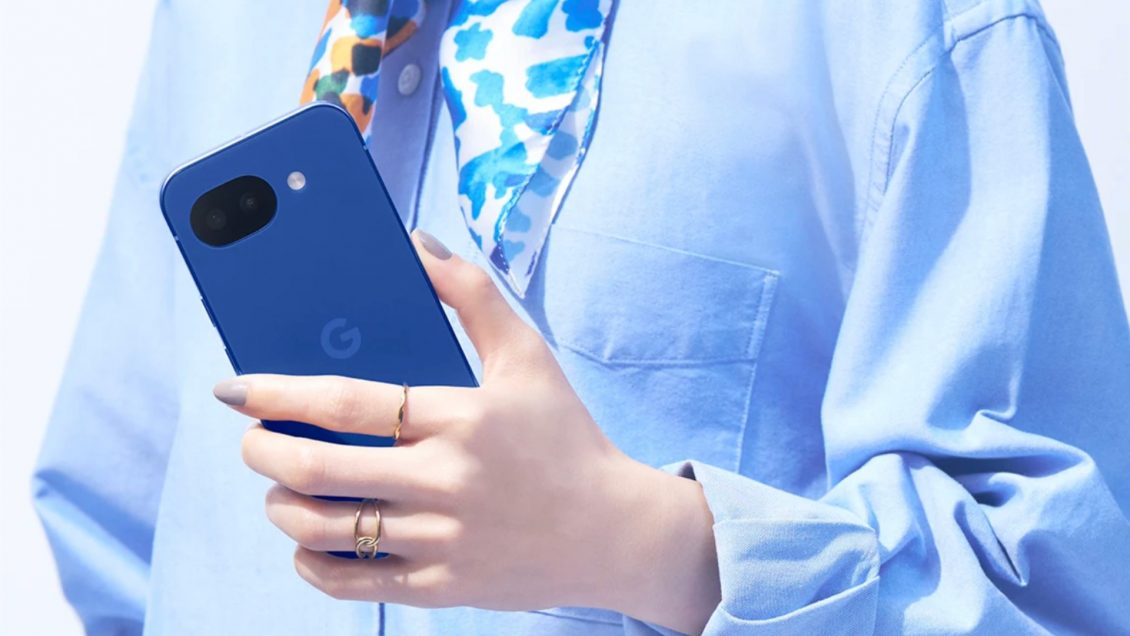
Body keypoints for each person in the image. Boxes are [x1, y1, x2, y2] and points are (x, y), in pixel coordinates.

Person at [33, 0, 1130, 634]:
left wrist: (656, 548)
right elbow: (117, 517)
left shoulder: (888, 24)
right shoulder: (221, 20)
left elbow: (1063, 592)